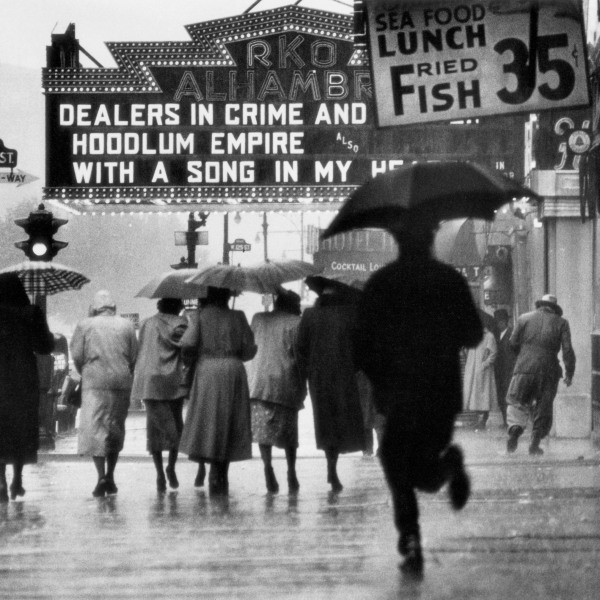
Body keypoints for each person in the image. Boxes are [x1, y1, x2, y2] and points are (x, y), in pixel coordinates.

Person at [354, 215, 483, 577]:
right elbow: (473, 334)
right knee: (418, 465)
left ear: (397, 241)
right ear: (430, 240)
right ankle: (446, 468)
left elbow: (361, 345)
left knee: (397, 463)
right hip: (440, 392)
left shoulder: (381, 284)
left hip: (398, 393)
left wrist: (381, 374)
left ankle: (411, 535)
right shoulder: (449, 281)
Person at [179, 286, 257, 495]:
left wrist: (195, 356)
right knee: (231, 419)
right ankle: (222, 470)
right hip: (233, 370)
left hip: (208, 370)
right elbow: (249, 349)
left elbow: (187, 343)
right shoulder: (238, 316)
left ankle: (212, 465)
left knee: (210, 418)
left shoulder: (199, 316)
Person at [296, 276, 366, 492]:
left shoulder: (309, 315)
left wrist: (306, 373)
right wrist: (352, 368)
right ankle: (332, 466)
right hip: (344, 376)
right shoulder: (349, 315)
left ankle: (330, 463)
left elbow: (300, 349)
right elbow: (362, 349)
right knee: (341, 420)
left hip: (318, 378)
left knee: (325, 421)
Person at [71, 290, 138, 497]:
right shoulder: (126, 326)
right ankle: (111, 475)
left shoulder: (85, 325)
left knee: (96, 428)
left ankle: (100, 476)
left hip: (94, 381)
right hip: (120, 380)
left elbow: (77, 355)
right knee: (115, 426)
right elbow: (134, 355)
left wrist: (87, 371)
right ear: (113, 306)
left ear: (94, 307)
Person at [0, 274, 54, 502]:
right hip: (23, 377)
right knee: (22, 424)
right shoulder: (31, 313)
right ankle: (18, 479)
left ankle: (0, 480)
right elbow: (45, 346)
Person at [246, 289, 306, 494]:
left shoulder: (258, 319)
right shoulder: (296, 323)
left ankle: (267, 466)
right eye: (297, 305)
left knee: (263, 431)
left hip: (259, 381)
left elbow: (249, 345)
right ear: (291, 305)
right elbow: (299, 356)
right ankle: (291, 470)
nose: (299, 309)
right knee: (289, 433)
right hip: (285, 382)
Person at [505, 294, 575, 455]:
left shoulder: (523, 318)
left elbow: (512, 343)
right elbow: (567, 350)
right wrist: (569, 373)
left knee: (517, 401)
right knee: (544, 406)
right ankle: (534, 443)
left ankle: (515, 430)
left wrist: (523, 356)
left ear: (540, 305)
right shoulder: (562, 323)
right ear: (555, 308)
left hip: (523, 367)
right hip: (548, 370)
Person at [131, 298, 188, 493]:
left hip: (150, 381)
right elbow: (187, 346)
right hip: (173, 381)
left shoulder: (146, 323)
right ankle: (171, 467)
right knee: (176, 427)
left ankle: (159, 473)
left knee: (154, 431)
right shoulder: (181, 324)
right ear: (177, 307)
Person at [462, 324, 497, 429]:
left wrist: (484, 365)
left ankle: (484, 419)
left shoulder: (489, 336)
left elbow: (493, 353)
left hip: (483, 371)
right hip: (472, 369)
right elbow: (466, 350)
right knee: (473, 396)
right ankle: (478, 420)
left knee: (484, 395)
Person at [493, 309, 517, 428]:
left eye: (498, 322)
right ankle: (505, 421)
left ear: (504, 322)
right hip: (500, 372)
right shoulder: (498, 335)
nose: (497, 325)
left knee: (508, 397)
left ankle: (510, 422)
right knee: (501, 396)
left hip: (509, 370)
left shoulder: (512, 334)